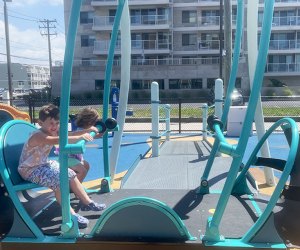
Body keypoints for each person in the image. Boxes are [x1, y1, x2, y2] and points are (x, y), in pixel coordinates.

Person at [18, 104, 106, 229]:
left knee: (70, 173)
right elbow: (57, 140)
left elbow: (68, 134)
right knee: (60, 181)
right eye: (51, 123)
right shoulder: (39, 135)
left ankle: (88, 202)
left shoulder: (52, 131)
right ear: (40, 123)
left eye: (57, 123)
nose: (54, 127)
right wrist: (80, 137)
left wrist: (86, 132)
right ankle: (71, 215)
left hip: (43, 164)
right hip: (29, 170)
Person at [67, 107, 102, 182]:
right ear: (90, 122)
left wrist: (102, 131)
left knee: (86, 165)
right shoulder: (81, 131)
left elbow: (96, 135)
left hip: (76, 157)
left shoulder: (87, 131)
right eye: (95, 122)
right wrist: (89, 130)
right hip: (68, 158)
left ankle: (77, 185)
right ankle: (73, 188)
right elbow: (75, 134)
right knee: (82, 171)